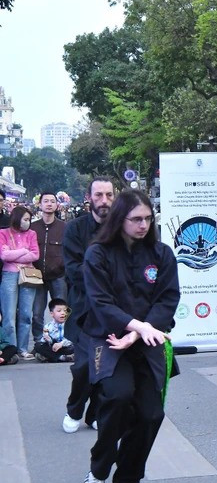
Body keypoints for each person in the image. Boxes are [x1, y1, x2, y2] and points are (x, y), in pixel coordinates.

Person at [79, 189, 179, 483]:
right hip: (108, 338)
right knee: (118, 398)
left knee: (151, 414)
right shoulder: (98, 254)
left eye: (148, 218)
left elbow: (168, 298)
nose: (143, 225)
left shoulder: (162, 254)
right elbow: (100, 302)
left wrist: (138, 333)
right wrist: (134, 327)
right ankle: (97, 472)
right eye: (136, 219)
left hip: (146, 340)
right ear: (120, 219)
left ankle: (127, 479)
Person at [63, 178, 115, 434]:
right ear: (89, 197)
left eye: (108, 195)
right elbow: (73, 271)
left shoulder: (122, 229)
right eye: (99, 195)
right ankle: (74, 408)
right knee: (83, 366)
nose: (104, 200)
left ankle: (94, 412)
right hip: (85, 309)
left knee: (106, 367)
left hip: (116, 311)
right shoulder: (75, 229)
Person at [0, 205, 40, 360]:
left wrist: (13, 254)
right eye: (25, 219)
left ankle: (23, 348)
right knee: (9, 315)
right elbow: (4, 256)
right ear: (17, 218)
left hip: (28, 275)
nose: (28, 222)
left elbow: (35, 255)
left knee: (25, 314)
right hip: (9, 274)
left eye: (29, 219)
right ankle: (11, 349)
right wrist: (24, 251)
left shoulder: (32, 234)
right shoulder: (3, 233)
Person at [31, 191, 68, 349]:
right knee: (37, 312)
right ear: (39, 204)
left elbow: (69, 251)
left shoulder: (64, 227)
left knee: (62, 310)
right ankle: (39, 341)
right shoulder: (33, 228)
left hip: (59, 275)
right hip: (37, 276)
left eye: (52, 201)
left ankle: (64, 340)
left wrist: (62, 266)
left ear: (57, 205)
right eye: (45, 201)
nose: (49, 204)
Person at [34, 297, 74, 362]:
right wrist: (48, 339)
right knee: (38, 346)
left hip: (66, 347)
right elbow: (44, 339)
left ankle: (50, 357)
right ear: (52, 314)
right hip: (54, 347)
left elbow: (73, 339)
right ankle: (61, 357)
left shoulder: (70, 324)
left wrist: (61, 344)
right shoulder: (47, 326)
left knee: (75, 347)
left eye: (65, 310)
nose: (63, 313)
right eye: (59, 311)